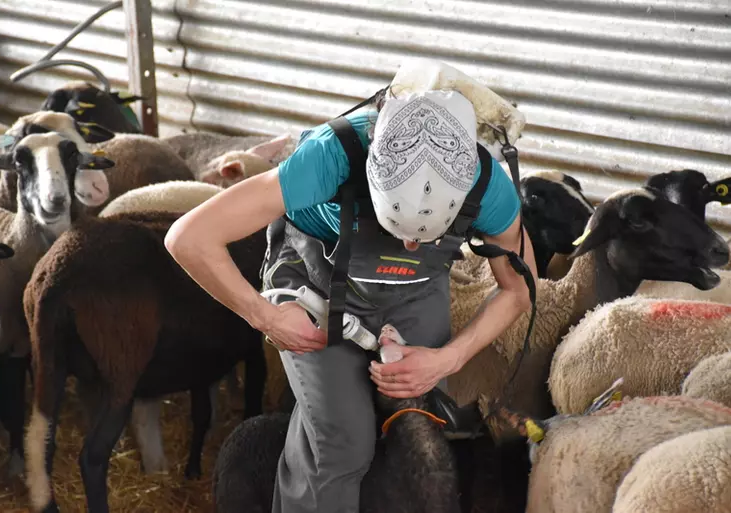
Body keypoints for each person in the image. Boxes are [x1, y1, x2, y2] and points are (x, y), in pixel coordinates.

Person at [164, 60, 538, 513]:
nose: (408, 242)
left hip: (415, 288)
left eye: (427, 235)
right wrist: (264, 315)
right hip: (318, 285)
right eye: (395, 224)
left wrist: (448, 358)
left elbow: (519, 290)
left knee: (417, 427)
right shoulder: (330, 156)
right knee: (343, 444)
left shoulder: (490, 187)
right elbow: (188, 238)